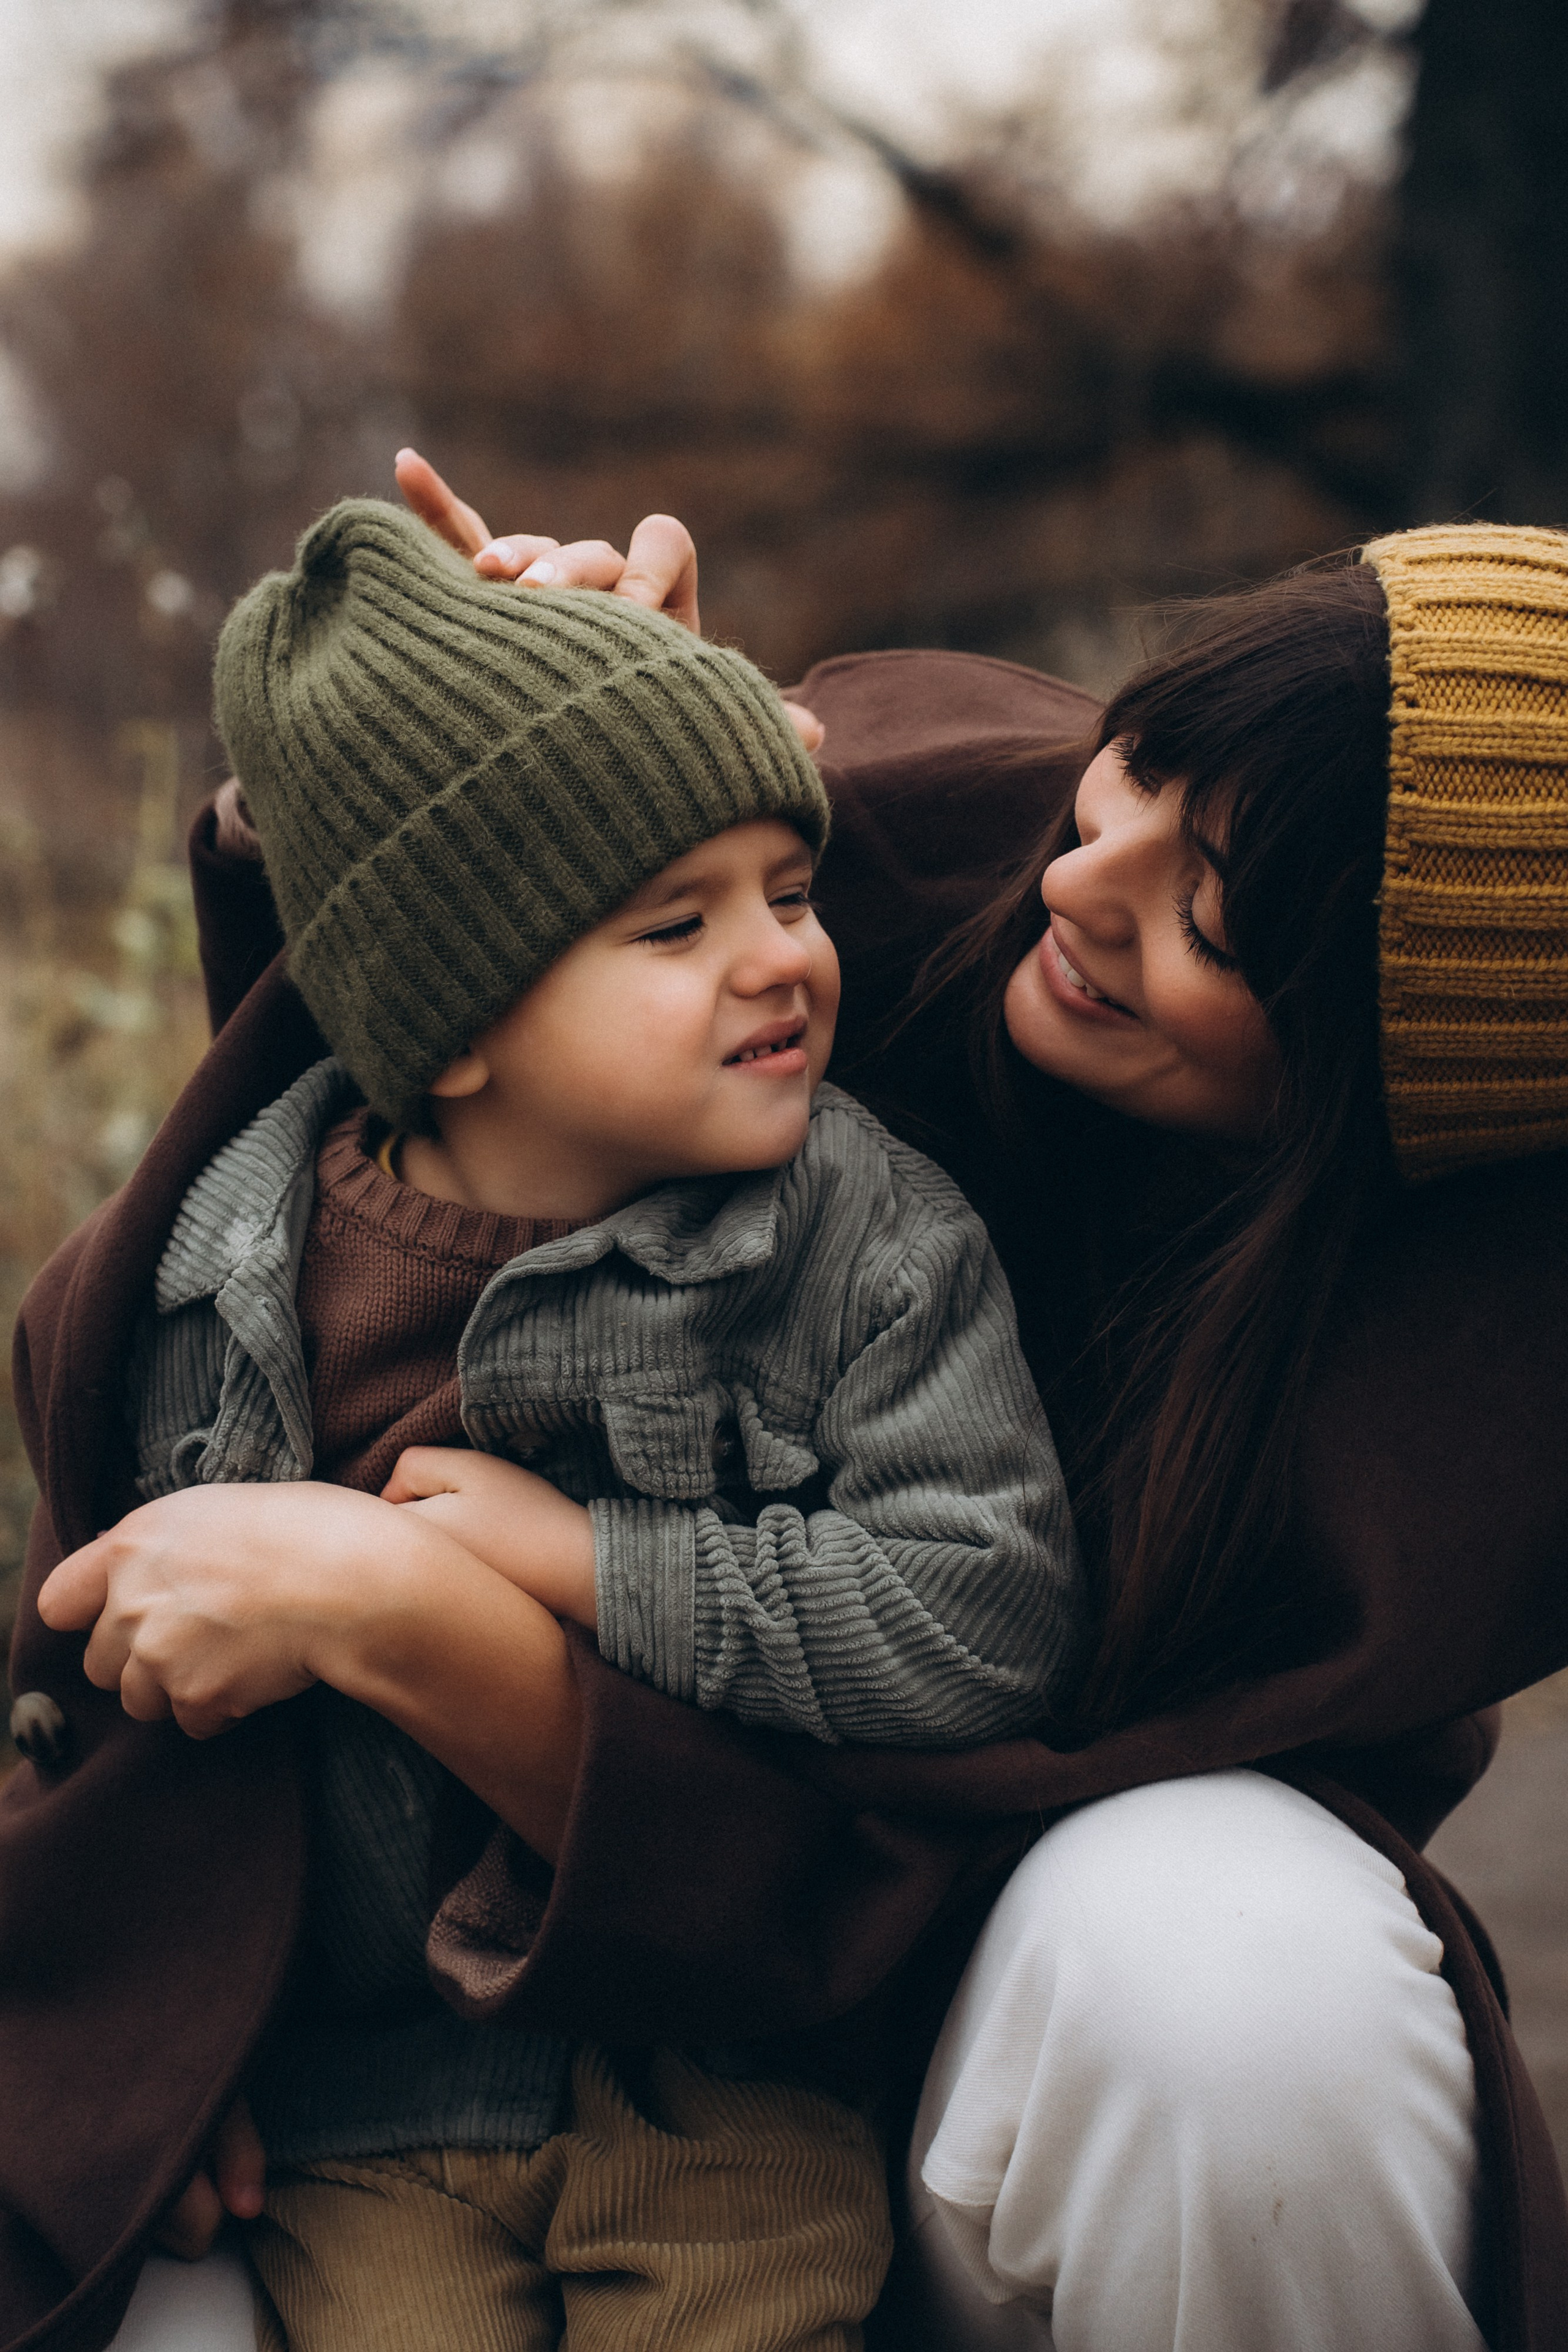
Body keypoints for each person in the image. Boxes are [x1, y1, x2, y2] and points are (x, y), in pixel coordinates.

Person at [4, 473, 1568, 2352]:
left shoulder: (1428, 1419)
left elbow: (954, 1704)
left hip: (896, 2073)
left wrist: (450, 1605)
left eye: (1210, 923)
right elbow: (393, 1075)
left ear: (1374, 1086)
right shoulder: (915, 838)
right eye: (1132, 767)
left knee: (1232, 1960)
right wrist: (476, 729)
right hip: (392, 2083)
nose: (1078, 883)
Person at [34, 492, 1085, 2352]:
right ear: (446, 1030)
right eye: (674, 925)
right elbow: (103, 1665)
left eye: (790, 888)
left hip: (729, 2090)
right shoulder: (219, 1271)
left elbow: (979, 1613)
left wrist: (594, 1564)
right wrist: (133, 2030)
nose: (779, 956)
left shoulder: (866, 1240)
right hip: (371, 2118)